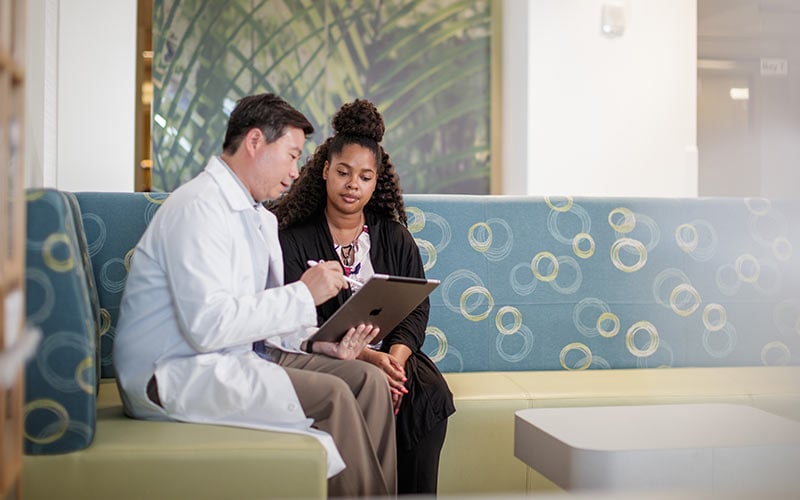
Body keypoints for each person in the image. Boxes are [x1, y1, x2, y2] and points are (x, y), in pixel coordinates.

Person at [113, 93, 397, 497]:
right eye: (291, 155)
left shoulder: (257, 217)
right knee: (334, 396)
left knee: (368, 381)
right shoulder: (198, 208)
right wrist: (303, 293)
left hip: (244, 352)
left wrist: (317, 344)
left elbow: (261, 315)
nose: (296, 172)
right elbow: (207, 327)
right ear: (255, 142)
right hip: (174, 371)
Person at [272, 99, 456, 495]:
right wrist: (369, 359)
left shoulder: (393, 236)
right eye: (343, 172)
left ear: (377, 182)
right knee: (365, 383)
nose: (353, 184)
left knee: (428, 394)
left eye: (365, 176)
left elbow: (415, 308)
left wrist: (395, 359)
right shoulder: (294, 238)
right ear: (324, 170)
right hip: (324, 354)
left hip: (392, 353)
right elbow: (297, 320)